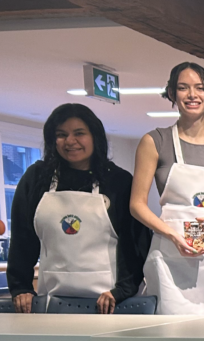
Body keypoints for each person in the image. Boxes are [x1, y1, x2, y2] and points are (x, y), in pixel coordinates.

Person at [8, 103, 149, 314]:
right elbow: (22, 239)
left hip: (109, 302)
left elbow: (135, 244)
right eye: (61, 134)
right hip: (51, 301)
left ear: (95, 137)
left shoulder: (118, 181)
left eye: (79, 133)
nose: (70, 141)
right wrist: (21, 288)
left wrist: (122, 291)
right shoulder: (36, 179)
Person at [130, 62, 204, 315]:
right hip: (170, 258)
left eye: (200, 88)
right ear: (172, 93)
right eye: (183, 88)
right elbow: (136, 205)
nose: (192, 95)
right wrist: (172, 235)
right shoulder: (154, 141)